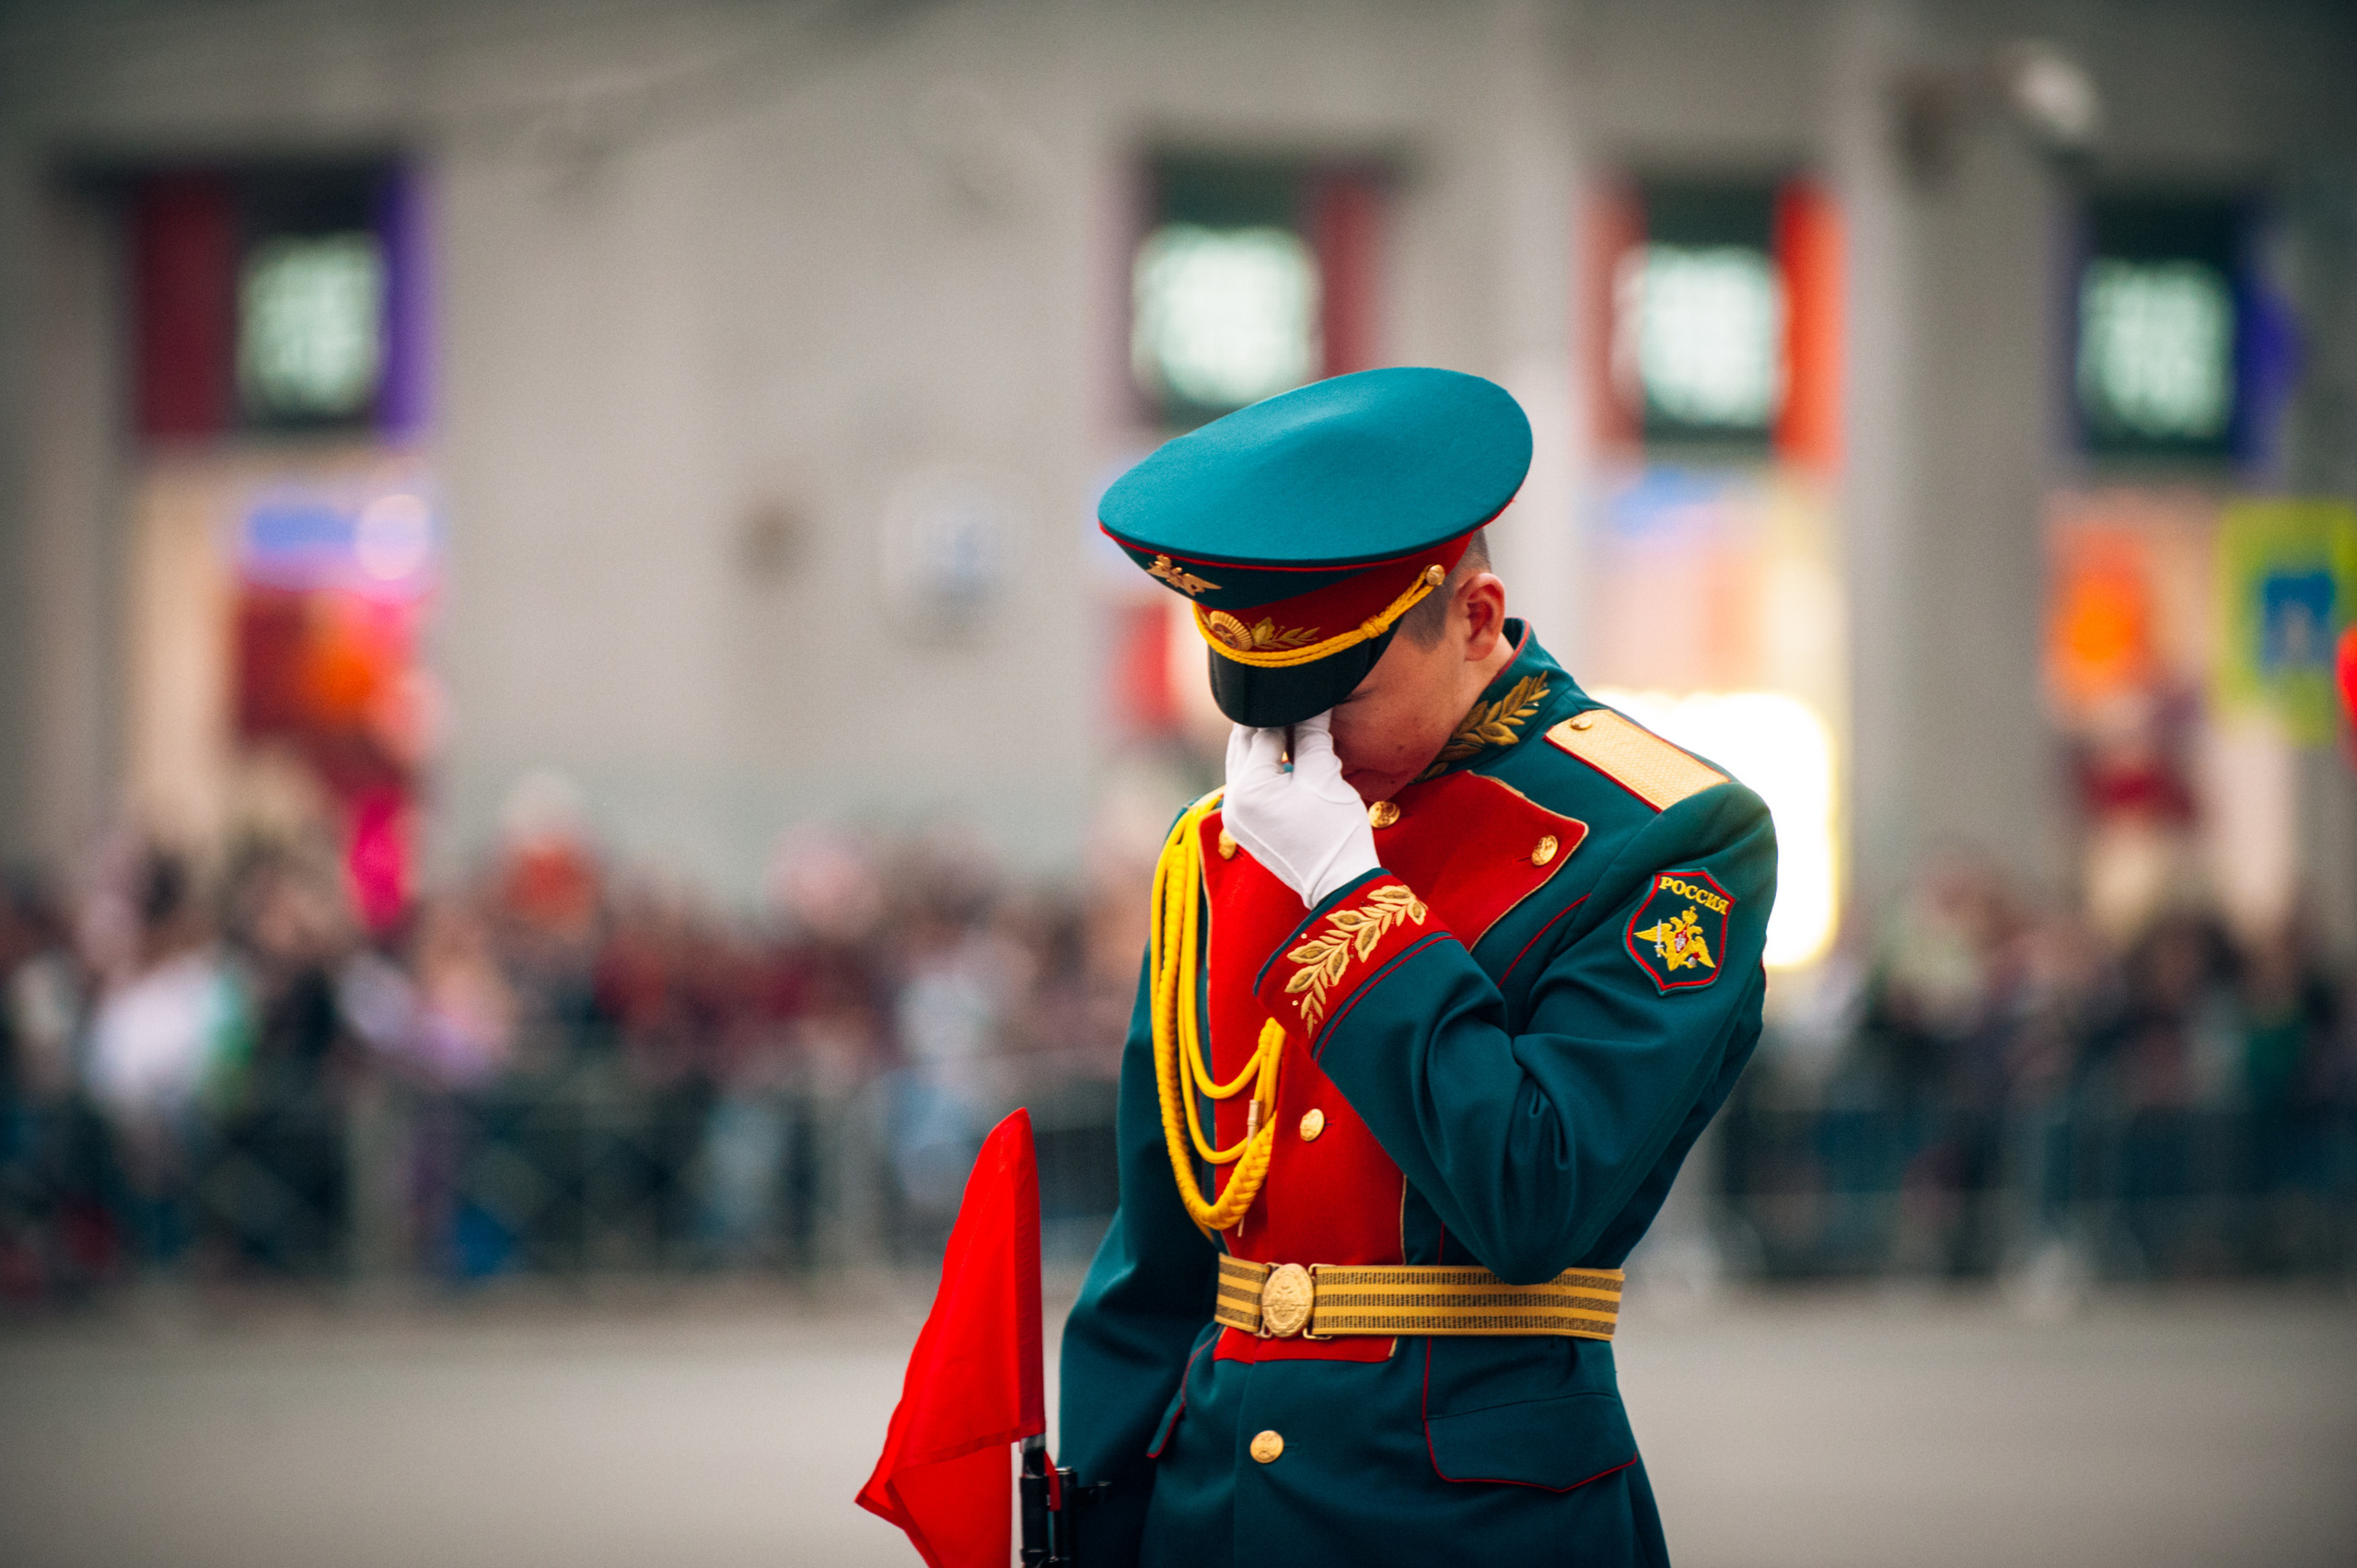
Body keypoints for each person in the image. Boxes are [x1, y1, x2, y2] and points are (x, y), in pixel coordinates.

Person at [1059, 367, 1778, 1567]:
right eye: (1262, 714)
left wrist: (1347, 895)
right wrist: (1095, 1517)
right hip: (1214, 1517)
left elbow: (1534, 1194)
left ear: (1478, 616)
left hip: (1475, 1521)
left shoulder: (1665, 835)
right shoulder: (1221, 849)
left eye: (1338, 701)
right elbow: (1159, 1261)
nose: (1297, 755)